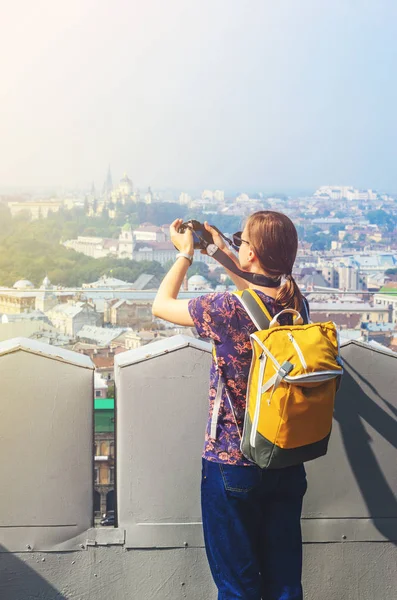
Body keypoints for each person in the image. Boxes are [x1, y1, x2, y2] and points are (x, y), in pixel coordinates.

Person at [152, 211, 308, 600]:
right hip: (286, 459)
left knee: (238, 589)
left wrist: (185, 254)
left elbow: (161, 304)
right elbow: (258, 292)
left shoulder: (225, 310)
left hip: (231, 461)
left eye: (243, 242)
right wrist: (219, 251)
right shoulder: (296, 307)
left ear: (253, 254)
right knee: (285, 584)